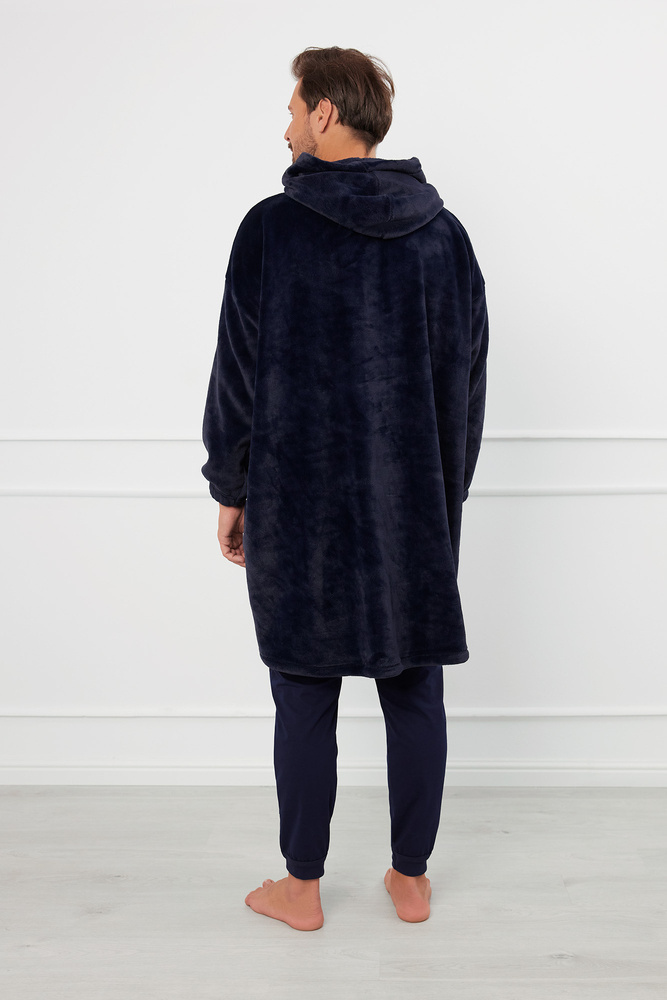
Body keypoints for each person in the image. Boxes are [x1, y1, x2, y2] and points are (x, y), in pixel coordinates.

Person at [200, 46, 489, 931]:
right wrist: (441, 498)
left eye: (293, 109)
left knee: (302, 690)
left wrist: (230, 486)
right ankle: (411, 878)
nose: (286, 125)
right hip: (412, 507)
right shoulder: (443, 237)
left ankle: (301, 889)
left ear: (325, 113)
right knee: (415, 689)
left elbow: (237, 378)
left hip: (299, 507)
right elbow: (466, 385)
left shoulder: (270, 230)